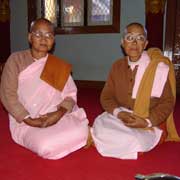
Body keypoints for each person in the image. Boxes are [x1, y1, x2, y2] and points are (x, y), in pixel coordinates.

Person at [0, 18, 89, 159]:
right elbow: (7, 94)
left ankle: (69, 134)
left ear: (53, 40)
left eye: (48, 35)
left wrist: (58, 114)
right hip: (25, 120)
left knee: (83, 129)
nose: (43, 39)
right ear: (30, 37)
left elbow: (70, 95)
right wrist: (29, 120)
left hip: (55, 115)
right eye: (38, 34)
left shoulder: (58, 65)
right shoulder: (15, 60)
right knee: (45, 145)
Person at [91, 22, 180, 159]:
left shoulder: (157, 67)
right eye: (129, 37)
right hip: (120, 116)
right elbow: (106, 96)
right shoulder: (117, 66)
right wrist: (119, 113)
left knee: (135, 140)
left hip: (146, 119)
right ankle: (122, 145)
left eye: (140, 38)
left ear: (145, 44)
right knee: (99, 125)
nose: (134, 42)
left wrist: (147, 121)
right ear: (122, 42)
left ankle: (121, 143)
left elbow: (167, 102)